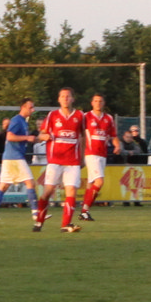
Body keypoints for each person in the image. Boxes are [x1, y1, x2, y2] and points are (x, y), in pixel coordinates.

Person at [34, 87, 88, 233]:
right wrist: (44, 136)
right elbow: (41, 134)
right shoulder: (52, 115)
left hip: (72, 161)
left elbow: (83, 136)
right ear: (59, 99)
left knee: (71, 191)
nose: (65, 98)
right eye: (62, 96)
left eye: (68, 96)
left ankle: (65, 224)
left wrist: (83, 157)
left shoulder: (80, 115)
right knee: (48, 192)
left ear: (73, 99)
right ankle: (39, 221)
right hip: (55, 160)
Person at [0, 99, 38, 222]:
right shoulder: (17, 120)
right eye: (30, 107)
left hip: (10, 157)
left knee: (3, 186)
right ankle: (36, 213)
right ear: (23, 107)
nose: (33, 110)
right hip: (14, 157)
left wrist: (37, 138)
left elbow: (25, 139)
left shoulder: (24, 122)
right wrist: (27, 137)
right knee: (30, 183)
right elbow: (10, 136)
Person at [79, 92, 118, 220]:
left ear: (103, 103)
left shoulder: (109, 118)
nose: (98, 103)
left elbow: (113, 135)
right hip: (91, 153)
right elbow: (79, 133)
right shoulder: (86, 117)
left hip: (102, 155)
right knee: (99, 181)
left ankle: (84, 211)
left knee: (91, 184)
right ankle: (84, 210)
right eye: (95, 101)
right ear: (92, 103)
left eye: (100, 101)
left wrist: (117, 145)